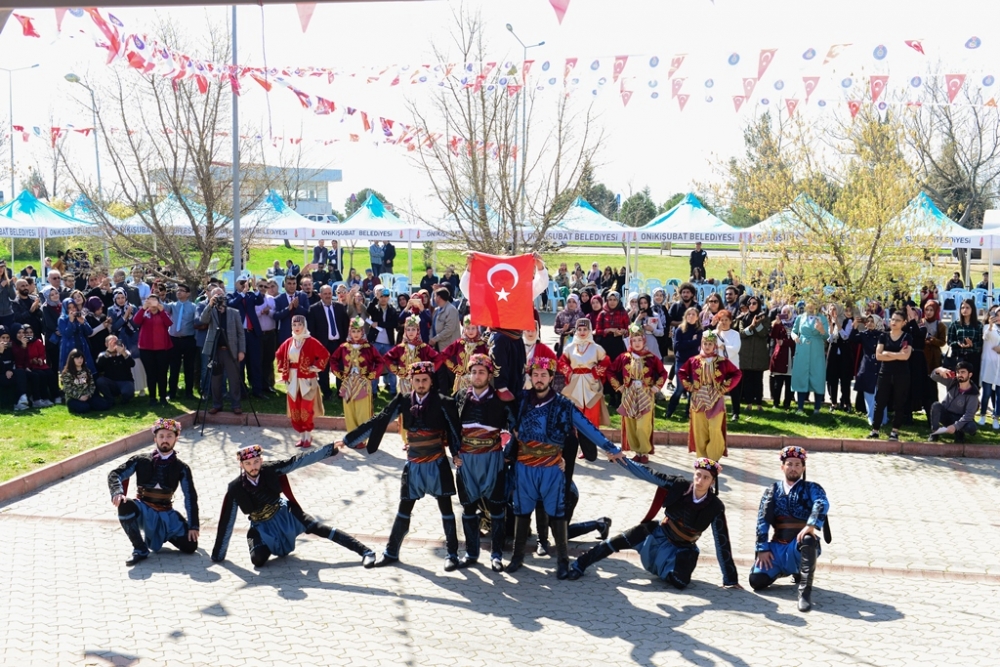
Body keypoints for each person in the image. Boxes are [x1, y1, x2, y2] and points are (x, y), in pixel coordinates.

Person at [504, 348, 628, 579]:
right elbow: (505, 413)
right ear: (530, 376)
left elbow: (586, 427)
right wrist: (512, 426)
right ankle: (517, 557)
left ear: (552, 377)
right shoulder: (521, 400)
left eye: (544, 375)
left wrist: (611, 449)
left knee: (557, 514)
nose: (539, 379)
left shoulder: (563, 404)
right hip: (524, 467)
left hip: (551, 467)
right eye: (535, 374)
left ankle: (562, 561)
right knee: (522, 512)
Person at [338, 361, 463, 570]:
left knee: (446, 509)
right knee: (404, 509)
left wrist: (457, 453)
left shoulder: (444, 402)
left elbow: (454, 428)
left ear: (431, 381)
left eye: (425, 380)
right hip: (413, 464)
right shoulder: (404, 400)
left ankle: (452, 554)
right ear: (411, 381)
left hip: (437, 463)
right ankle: (391, 552)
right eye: (417, 380)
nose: (421, 384)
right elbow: (381, 419)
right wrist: (350, 439)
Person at [568, 457, 739, 589]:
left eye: (706, 478)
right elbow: (648, 473)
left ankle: (664, 567)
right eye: (698, 475)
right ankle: (579, 565)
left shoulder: (716, 507)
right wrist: (621, 459)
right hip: (657, 532)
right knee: (614, 542)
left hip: (683, 547)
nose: (700, 481)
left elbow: (722, 542)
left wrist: (730, 579)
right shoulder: (678, 484)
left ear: (712, 482)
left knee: (680, 583)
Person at [210, 442, 375, 567]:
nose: (253, 467)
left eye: (256, 462)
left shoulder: (271, 469)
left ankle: (365, 551)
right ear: (241, 465)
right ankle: (263, 543)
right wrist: (218, 555)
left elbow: (298, 461)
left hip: (285, 513)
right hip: (261, 526)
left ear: (261, 460)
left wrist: (328, 450)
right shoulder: (235, 488)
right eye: (248, 464)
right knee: (258, 560)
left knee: (319, 528)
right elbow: (226, 521)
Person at [445, 354, 513, 571]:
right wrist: (454, 452)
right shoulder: (461, 396)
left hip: (493, 459)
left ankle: (496, 555)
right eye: (473, 371)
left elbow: (514, 428)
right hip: (466, 460)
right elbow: (451, 426)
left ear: (489, 374)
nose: (476, 375)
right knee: (468, 508)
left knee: (497, 508)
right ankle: (472, 553)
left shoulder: (501, 399)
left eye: (481, 371)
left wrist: (507, 454)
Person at [107, 418, 200, 566]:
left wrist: (194, 526)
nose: (165, 440)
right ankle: (140, 548)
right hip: (143, 510)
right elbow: (115, 474)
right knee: (125, 505)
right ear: (154, 438)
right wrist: (117, 491)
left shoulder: (182, 468)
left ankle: (165, 533)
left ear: (176, 438)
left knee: (190, 547)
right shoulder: (140, 460)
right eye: (161, 436)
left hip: (166, 513)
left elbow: (190, 497)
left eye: (169, 436)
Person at [748, 446, 830, 612]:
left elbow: (821, 503)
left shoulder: (812, 488)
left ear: (803, 468)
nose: (793, 468)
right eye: (790, 464)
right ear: (782, 467)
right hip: (777, 546)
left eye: (797, 464)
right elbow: (762, 520)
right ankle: (787, 570)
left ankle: (804, 593)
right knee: (756, 581)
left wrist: (810, 525)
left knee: (808, 539)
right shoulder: (772, 490)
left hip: (800, 546)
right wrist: (762, 549)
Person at [678, 330, 742, 461]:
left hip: (716, 399)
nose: (707, 346)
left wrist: (725, 387)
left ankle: (713, 458)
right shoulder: (693, 361)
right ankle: (702, 459)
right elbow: (682, 372)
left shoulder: (722, 361)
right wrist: (689, 387)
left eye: (710, 344)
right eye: (705, 343)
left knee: (714, 428)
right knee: (700, 430)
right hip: (698, 399)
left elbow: (737, 373)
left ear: (715, 346)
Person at [610, 324, 668, 463]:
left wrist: (656, 387)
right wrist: (619, 387)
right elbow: (610, 371)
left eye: (639, 340)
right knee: (631, 424)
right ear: (630, 341)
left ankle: (645, 452)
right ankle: (637, 451)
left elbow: (663, 373)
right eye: (634, 340)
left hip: (646, 393)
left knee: (643, 425)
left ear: (644, 341)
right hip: (628, 393)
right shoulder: (624, 357)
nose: (637, 343)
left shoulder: (651, 358)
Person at [275, 315, 330, 448]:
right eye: (294, 325)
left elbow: (325, 354)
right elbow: (279, 354)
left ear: (304, 325)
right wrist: (284, 368)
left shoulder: (311, 341)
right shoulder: (289, 342)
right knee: (295, 408)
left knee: (306, 407)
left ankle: (308, 435)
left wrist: (315, 367)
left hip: (307, 380)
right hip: (293, 379)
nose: (297, 327)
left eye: (299, 325)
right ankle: (301, 435)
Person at [329, 317, 385, 435]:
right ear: (350, 332)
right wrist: (338, 373)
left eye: (358, 331)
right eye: (353, 331)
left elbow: (380, 361)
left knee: (362, 411)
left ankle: (362, 437)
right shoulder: (344, 347)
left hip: (363, 383)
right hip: (347, 383)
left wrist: (372, 374)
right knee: (349, 411)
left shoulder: (368, 347)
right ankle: (352, 435)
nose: (356, 334)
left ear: (362, 332)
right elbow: (333, 359)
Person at [866, 309, 912, 442]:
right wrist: (897, 355)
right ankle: (875, 430)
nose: (894, 322)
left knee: (899, 403)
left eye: (898, 320)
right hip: (885, 373)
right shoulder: (883, 336)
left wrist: (888, 353)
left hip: (901, 374)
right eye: (892, 319)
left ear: (904, 322)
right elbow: (879, 355)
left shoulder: (906, 337)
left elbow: (906, 357)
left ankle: (895, 431)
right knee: (880, 402)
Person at [558, 318, 610, 428]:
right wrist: (569, 373)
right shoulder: (570, 347)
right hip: (575, 382)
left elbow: (606, 361)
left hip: (591, 382)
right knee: (575, 412)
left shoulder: (596, 348)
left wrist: (595, 373)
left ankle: (591, 442)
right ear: (576, 330)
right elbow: (561, 362)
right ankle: (575, 440)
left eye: (585, 329)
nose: (582, 332)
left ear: (590, 330)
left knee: (592, 412)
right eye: (579, 329)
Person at [201, 289, 246, 416]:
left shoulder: (234, 312)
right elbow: (203, 320)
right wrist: (210, 305)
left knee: (234, 379)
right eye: (216, 295)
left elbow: (241, 334)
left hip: (231, 351)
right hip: (215, 351)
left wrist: (241, 351)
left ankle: (236, 405)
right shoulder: (211, 311)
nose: (219, 297)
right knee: (215, 380)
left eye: (221, 294)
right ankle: (217, 404)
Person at [308, 284, 348, 400]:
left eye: (329, 293)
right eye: (325, 294)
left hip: (338, 344)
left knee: (340, 369)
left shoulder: (339, 307)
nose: (327, 296)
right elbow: (312, 329)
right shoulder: (314, 309)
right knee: (323, 371)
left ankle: (341, 392)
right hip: (323, 345)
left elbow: (345, 325)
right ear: (320, 295)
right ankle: (327, 393)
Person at [134, 295, 173, 407]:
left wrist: (161, 311)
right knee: (150, 374)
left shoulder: (163, 312)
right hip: (146, 349)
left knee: (162, 373)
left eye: (154, 301)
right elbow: (136, 321)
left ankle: (162, 397)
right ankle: (152, 397)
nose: (152, 304)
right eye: (150, 301)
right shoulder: (144, 313)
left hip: (163, 349)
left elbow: (169, 323)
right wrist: (143, 308)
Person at [790, 303, 828, 415]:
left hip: (817, 349)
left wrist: (821, 330)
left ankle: (817, 408)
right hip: (802, 349)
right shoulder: (800, 317)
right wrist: (795, 336)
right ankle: (800, 407)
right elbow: (793, 330)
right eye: (809, 303)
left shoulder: (822, 318)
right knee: (801, 375)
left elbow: (826, 336)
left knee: (817, 376)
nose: (811, 306)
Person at [666, 307, 702, 420]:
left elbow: (698, 343)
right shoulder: (679, 329)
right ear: (685, 316)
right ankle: (670, 410)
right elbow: (677, 346)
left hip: (694, 362)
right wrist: (692, 342)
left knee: (692, 388)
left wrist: (687, 343)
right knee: (680, 388)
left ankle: (689, 412)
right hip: (681, 361)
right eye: (689, 314)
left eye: (693, 314)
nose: (691, 316)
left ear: (697, 317)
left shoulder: (699, 330)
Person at [851, 314, 887, 429]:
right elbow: (852, 339)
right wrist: (854, 326)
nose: (870, 323)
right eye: (868, 321)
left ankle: (883, 418)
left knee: (881, 394)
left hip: (880, 367)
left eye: (873, 321)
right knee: (869, 395)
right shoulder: (864, 334)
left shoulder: (883, 335)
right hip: (867, 367)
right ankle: (872, 419)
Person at [928, 363, 980, 442]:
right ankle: (934, 433)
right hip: (946, 415)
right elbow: (933, 376)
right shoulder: (952, 382)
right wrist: (939, 370)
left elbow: (969, 414)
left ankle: (959, 433)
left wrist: (955, 426)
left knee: (971, 427)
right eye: (958, 372)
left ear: (970, 375)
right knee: (936, 406)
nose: (959, 375)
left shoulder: (973, 393)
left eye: (963, 372)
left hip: (959, 417)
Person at [12, 323, 59, 407]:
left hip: (34, 366)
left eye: (30, 332)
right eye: (20, 333)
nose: (24, 335)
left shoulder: (36, 342)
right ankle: (36, 398)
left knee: (50, 374)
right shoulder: (15, 344)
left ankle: (52, 396)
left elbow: (41, 354)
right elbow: (19, 358)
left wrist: (40, 359)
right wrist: (30, 361)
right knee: (40, 375)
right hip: (25, 367)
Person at [163, 284, 198, 400]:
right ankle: (172, 392)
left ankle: (189, 392)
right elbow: (162, 307)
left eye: (182, 291)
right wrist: (158, 296)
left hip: (188, 340)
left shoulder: (193, 307)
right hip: (174, 340)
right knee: (174, 367)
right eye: (178, 291)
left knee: (189, 367)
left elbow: (197, 321)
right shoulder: (172, 306)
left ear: (188, 294)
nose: (179, 292)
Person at [738, 296, 771, 413]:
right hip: (746, 355)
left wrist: (757, 324)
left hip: (758, 355)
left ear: (758, 305)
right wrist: (751, 325)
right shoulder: (743, 318)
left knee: (758, 380)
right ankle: (748, 403)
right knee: (747, 380)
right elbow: (742, 333)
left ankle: (759, 404)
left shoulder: (764, 318)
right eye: (750, 303)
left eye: (754, 303)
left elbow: (764, 334)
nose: (751, 305)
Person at [61, 348, 113, 414]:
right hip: (74, 398)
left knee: (104, 405)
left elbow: (92, 385)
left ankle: (91, 404)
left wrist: (88, 395)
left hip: (87, 396)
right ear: (72, 360)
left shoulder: (87, 371)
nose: (79, 360)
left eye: (81, 358)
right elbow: (67, 389)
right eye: (77, 358)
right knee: (84, 408)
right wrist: (79, 397)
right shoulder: (67, 373)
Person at [429, 287, 462, 390]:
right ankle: (443, 395)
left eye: (435, 296)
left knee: (451, 372)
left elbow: (449, 329)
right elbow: (432, 326)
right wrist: (432, 338)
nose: (434, 298)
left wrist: (435, 339)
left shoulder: (451, 309)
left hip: (449, 348)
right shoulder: (437, 310)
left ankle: (456, 393)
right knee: (441, 372)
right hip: (439, 347)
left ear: (439, 297)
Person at [714, 310, 743, 421]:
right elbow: (713, 347)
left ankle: (736, 412)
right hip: (718, 366)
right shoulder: (714, 333)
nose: (724, 322)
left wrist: (723, 347)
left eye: (726, 320)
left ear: (731, 321)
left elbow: (735, 349)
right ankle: (716, 410)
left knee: (734, 391)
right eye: (722, 320)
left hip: (732, 367)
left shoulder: (735, 334)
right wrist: (718, 332)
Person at [947, 298, 983, 381]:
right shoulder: (955, 324)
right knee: (958, 383)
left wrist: (972, 345)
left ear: (972, 309)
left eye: (967, 307)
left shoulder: (979, 325)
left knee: (973, 383)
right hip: (959, 357)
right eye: (962, 308)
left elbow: (981, 342)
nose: (964, 310)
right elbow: (949, 341)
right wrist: (958, 344)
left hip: (973, 358)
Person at [58, 297, 96, 374]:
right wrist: (71, 321)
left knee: (86, 369)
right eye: (69, 308)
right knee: (71, 371)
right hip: (69, 348)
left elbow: (90, 332)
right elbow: (67, 334)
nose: (72, 309)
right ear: (65, 309)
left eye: (74, 307)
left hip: (82, 346)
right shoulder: (62, 319)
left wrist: (83, 322)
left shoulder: (79, 317)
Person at [95, 336, 136, 404]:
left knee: (128, 392)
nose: (114, 344)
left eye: (115, 342)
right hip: (111, 383)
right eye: (111, 342)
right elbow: (99, 365)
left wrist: (123, 353)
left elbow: (132, 364)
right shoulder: (103, 354)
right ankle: (110, 399)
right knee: (100, 381)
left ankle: (125, 399)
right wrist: (108, 353)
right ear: (106, 344)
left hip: (125, 381)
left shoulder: (125, 352)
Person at [273, 274, 310, 346]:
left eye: (294, 283)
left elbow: (308, 313)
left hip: (301, 335)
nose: (292, 286)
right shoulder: (278, 299)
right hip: (285, 335)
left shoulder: (303, 296)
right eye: (289, 283)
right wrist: (287, 309)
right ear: (284, 284)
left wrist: (298, 307)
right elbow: (275, 316)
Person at [256, 278, 278, 394]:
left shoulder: (271, 299)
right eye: (261, 286)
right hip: (259, 334)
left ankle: (267, 385)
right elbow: (253, 315)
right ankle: (258, 386)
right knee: (258, 360)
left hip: (271, 334)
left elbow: (276, 314)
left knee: (269, 360)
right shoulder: (254, 299)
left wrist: (268, 312)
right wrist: (262, 312)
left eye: (265, 286)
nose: (263, 289)